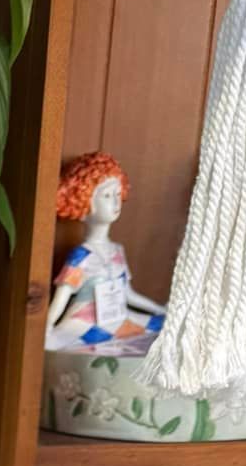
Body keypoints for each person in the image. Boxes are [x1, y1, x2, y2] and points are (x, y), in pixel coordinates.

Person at [45, 151, 167, 354]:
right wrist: (47, 327)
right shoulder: (82, 256)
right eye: (107, 195)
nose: (116, 203)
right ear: (83, 199)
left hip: (118, 318)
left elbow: (128, 294)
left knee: (164, 325)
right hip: (85, 324)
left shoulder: (116, 251)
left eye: (118, 194)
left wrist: (160, 309)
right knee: (55, 342)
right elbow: (62, 297)